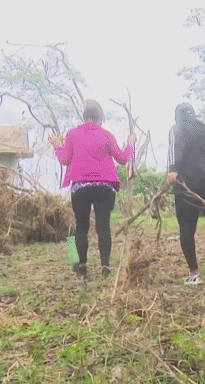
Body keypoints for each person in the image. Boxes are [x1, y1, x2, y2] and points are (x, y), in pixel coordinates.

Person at [51, 99, 135, 279]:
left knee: (81, 227)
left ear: (84, 116)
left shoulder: (72, 134)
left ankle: (81, 266)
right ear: (100, 118)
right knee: (103, 226)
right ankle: (105, 267)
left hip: (80, 186)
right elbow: (122, 159)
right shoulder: (107, 135)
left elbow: (65, 159)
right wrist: (130, 145)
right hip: (105, 186)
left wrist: (57, 145)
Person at [166, 102, 205, 284]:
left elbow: (174, 149)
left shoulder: (176, 129)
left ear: (177, 116)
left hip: (189, 182)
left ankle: (194, 273)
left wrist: (172, 170)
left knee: (186, 228)